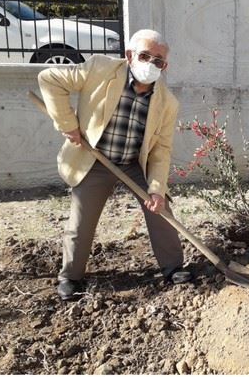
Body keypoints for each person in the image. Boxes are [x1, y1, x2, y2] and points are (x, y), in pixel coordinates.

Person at [38, 29, 191, 301]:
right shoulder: (100, 69)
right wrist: (68, 124)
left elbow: (160, 150)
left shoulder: (167, 103)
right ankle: (70, 277)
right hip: (94, 157)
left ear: (164, 67)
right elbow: (50, 78)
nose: (151, 64)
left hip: (133, 163)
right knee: (82, 221)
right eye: (145, 56)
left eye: (159, 61)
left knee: (161, 208)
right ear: (129, 55)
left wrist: (156, 189)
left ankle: (172, 268)